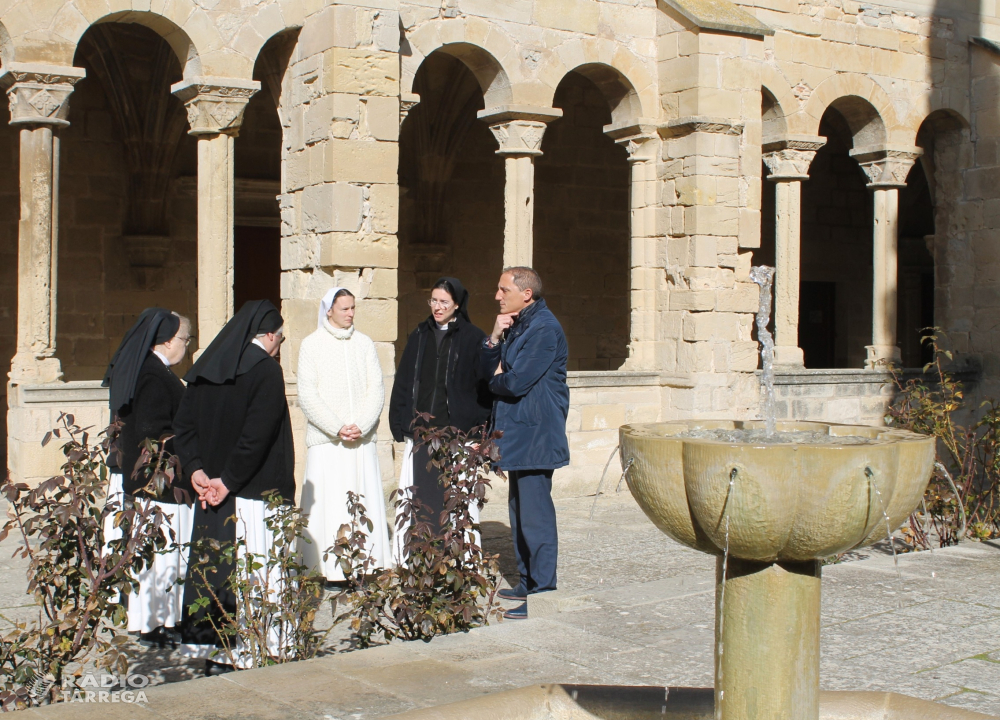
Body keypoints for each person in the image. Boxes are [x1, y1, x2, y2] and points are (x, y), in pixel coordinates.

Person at [172, 300, 294, 675]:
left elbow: (184, 427)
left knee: (217, 567)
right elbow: (255, 437)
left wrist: (195, 471)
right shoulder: (266, 372)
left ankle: (218, 649)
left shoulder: (206, 369)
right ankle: (261, 645)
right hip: (251, 492)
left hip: (212, 494)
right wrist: (228, 481)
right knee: (254, 567)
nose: (280, 345)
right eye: (282, 338)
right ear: (270, 335)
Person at [481, 267, 569, 620]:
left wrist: (494, 379)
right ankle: (527, 581)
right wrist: (496, 351)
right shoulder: (521, 324)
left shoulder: (545, 328)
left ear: (526, 294)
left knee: (536, 516)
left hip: (536, 435)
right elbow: (500, 367)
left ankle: (544, 590)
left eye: (503, 290)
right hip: (519, 433)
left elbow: (516, 382)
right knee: (519, 512)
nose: (498, 296)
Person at [102, 307, 193, 647]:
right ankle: (154, 624)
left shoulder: (150, 370)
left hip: (155, 481)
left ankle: (161, 620)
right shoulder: (154, 375)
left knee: (161, 553)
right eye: (185, 339)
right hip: (161, 481)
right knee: (161, 554)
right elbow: (153, 431)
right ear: (169, 341)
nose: (187, 346)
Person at [388, 277, 492, 559]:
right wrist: (399, 421)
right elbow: (404, 379)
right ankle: (417, 559)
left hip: (457, 433)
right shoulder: (419, 335)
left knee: (455, 497)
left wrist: (480, 430)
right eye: (433, 301)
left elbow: (483, 388)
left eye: (444, 302)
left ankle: (460, 560)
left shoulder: (473, 338)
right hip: (422, 433)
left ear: (457, 304)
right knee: (420, 498)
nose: (437, 307)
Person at [298, 288, 389, 584]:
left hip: (360, 440)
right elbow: (307, 394)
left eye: (352, 309)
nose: (350, 314)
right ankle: (328, 569)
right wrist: (336, 427)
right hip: (328, 442)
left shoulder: (363, 343)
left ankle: (364, 565)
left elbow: (376, 387)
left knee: (361, 497)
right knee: (331, 502)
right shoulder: (311, 345)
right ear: (329, 310)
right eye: (344, 309)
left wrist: (361, 424)